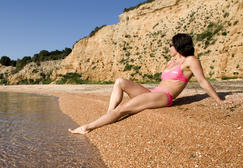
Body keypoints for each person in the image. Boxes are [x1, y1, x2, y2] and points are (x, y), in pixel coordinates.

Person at [69, 33, 228, 135]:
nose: (169, 47)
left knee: (124, 108)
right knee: (120, 82)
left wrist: (219, 99)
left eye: (170, 44)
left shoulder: (191, 61)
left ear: (178, 45)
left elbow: (203, 81)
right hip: (153, 92)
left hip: (164, 97)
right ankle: (109, 114)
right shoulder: (172, 61)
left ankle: (87, 127)